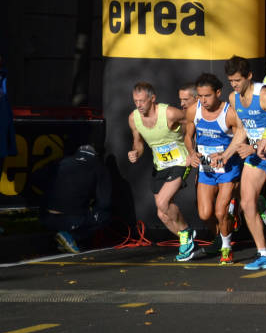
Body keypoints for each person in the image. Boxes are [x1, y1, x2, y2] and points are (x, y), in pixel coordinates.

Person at [225, 57, 266, 270]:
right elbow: (243, 129)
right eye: (231, 81)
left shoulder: (262, 94)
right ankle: (264, 254)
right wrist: (226, 154)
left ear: (249, 76)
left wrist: (262, 142)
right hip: (254, 158)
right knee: (246, 204)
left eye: (237, 80)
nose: (234, 85)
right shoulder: (233, 98)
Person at [127, 82, 196, 261]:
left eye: (142, 101)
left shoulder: (169, 113)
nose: (138, 105)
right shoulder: (134, 118)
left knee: (163, 203)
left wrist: (192, 150)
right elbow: (139, 142)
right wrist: (136, 153)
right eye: (135, 101)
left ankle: (187, 233)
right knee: (162, 214)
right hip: (160, 165)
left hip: (180, 161)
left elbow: (193, 121)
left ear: (152, 99)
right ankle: (185, 239)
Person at [184, 73, 247, 265]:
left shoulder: (229, 113)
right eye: (200, 96)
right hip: (206, 169)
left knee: (220, 211)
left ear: (218, 93)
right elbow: (188, 136)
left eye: (207, 96)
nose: (203, 100)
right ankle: (223, 231)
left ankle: (227, 248)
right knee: (205, 213)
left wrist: (225, 154)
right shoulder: (194, 110)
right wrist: (192, 153)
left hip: (228, 168)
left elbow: (240, 138)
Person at [40, 144, 112, 253]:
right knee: (105, 215)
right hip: (71, 219)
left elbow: (36, 178)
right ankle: (72, 236)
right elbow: (105, 203)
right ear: (96, 155)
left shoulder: (60, 161)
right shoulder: (99, 167)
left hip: (45, 217)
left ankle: (61, 240)